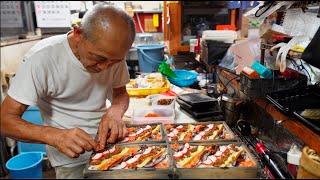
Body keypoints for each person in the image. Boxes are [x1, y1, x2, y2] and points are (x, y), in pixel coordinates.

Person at [0, 3, 135, 179]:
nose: (104, 67)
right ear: (78, 34)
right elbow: (5, 121)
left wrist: (115, 113)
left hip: (112, 145)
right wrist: (54, 136)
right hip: (70, 159)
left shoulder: (111, 55)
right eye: (98, 58)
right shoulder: (41, 59)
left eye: (114, 61)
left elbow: (120, 93)